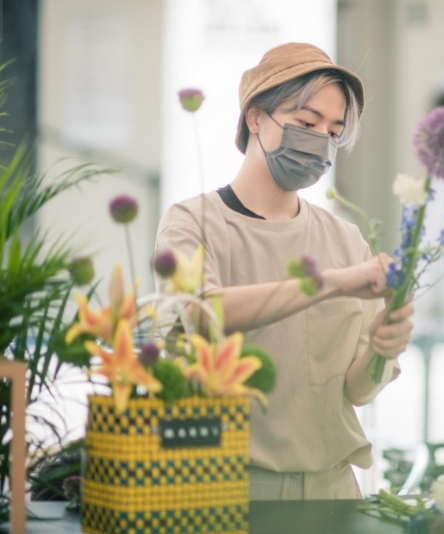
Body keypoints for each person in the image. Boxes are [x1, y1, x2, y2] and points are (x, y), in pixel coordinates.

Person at [155, 42, 415, 500]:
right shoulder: (192, 223)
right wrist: (329, 283)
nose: (321, 141)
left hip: (334, 492)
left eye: (334, 131)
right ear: (256, 118)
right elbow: (200, 312)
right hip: (227, 493)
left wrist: (380, 348)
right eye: (306, 123)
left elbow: (357, 392)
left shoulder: (345, 240)